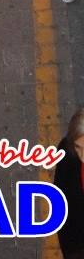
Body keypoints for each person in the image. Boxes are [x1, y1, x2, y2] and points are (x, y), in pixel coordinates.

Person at [53, 108, 84, 259]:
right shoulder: (66, 152)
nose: (82, 156)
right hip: (75, 240)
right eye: (78, 147)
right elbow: (60, 196)